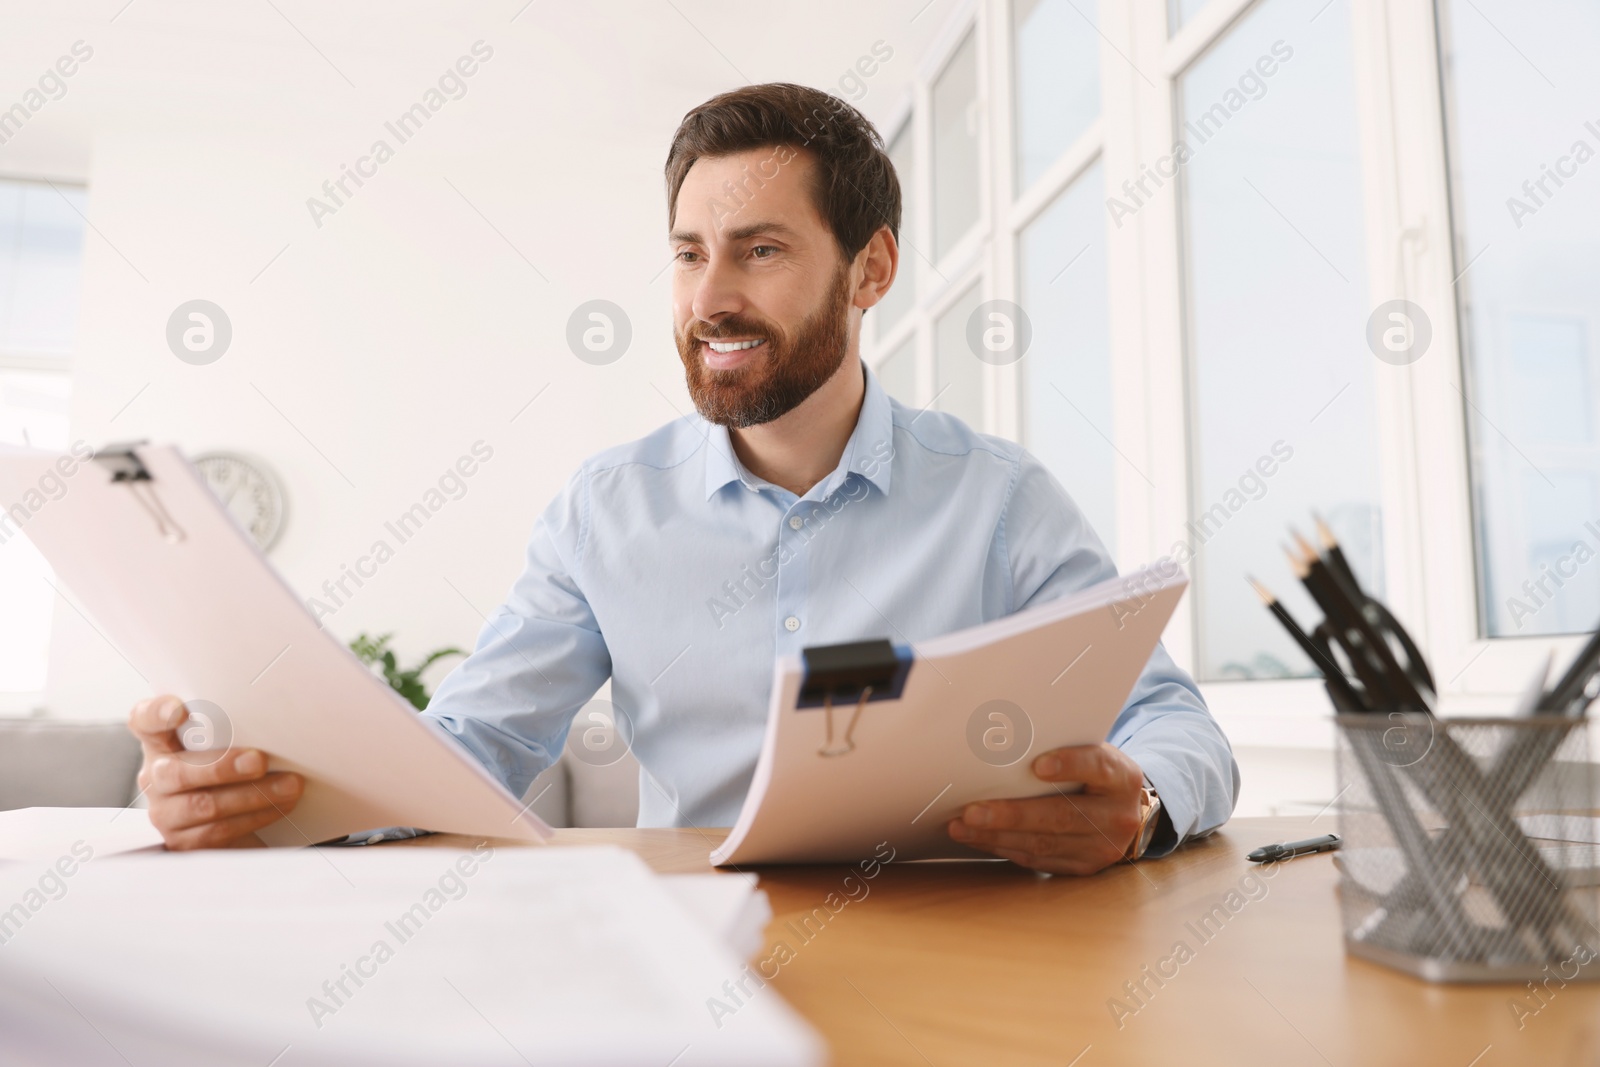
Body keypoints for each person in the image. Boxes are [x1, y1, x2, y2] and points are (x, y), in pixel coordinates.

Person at [129, 82, 1238, 873]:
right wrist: (264, 792)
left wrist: (1137, 805)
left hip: (968, 945)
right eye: (687, 251)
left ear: (871, 268)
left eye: (758, 250)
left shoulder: (999, 499)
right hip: (702, 960)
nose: (709, 297)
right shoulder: (603, 510)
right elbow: (472, 750)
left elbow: (1177, 725)